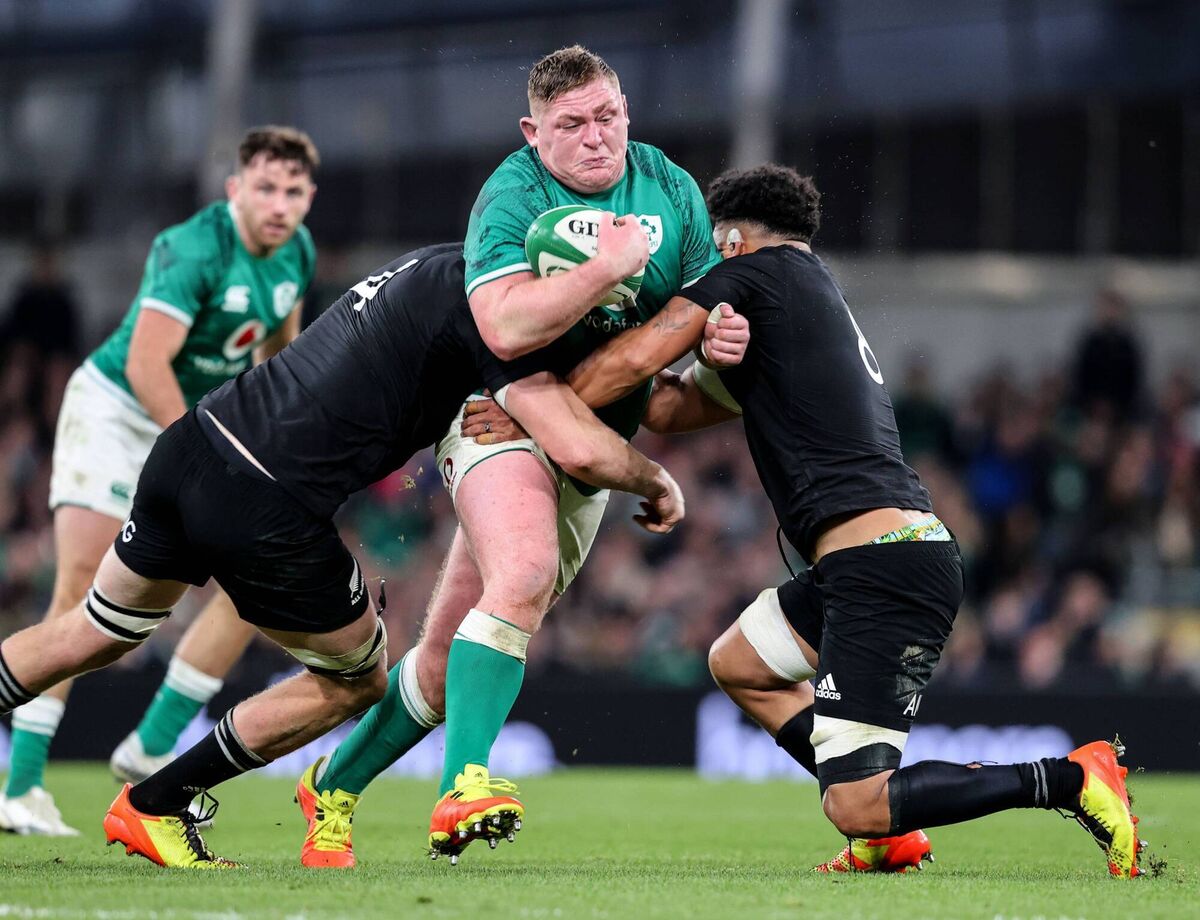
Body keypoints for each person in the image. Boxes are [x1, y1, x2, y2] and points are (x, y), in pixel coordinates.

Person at [0, 242, 687, 869]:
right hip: (265, 502)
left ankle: (165, 798)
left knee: (93, 630)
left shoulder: (446, 265)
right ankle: (156, 803)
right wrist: (656, 480)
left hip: (194, 442)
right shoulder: (499, 327)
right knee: (358, 679)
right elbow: (577, 446)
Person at [566, 163, 1145, 879]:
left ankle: (1073, 780)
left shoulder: (757, 277)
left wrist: (571, 339)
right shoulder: (798, 301)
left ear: (733, 238)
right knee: (738, 664)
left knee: (857, 804)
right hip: (872, 559)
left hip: (883, 566)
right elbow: (662, 407)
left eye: (714, 247)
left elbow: (621, 371)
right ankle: (890, 835)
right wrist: (666, 357)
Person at [289, 44, 744, 868]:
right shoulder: (509, 193)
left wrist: (724, 333)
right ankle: (464, 785)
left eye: (608, 116)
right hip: (497, 411)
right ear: (535, 132)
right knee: (525, 572)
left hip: (593, 445)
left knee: (439, 667)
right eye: (572, 125)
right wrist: (606, 269)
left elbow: (704, 304)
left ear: (628, 111)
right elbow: (502, 329)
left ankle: (333, 787)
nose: (596, 137)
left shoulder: (669, 184)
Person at [0, 127, 319, 836]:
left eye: (293, 191)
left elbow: (277, 364)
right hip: (118, 412)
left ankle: (149, 747)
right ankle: (20, 787)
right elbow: (147, 365)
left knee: (257, 581)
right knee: (82, 592)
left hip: (193, 426)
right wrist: (209, 457)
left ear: (309, 199)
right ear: (235, 190)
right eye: (265, 187)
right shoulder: (193, 246)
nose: (279, 203)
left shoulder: (296, 253)